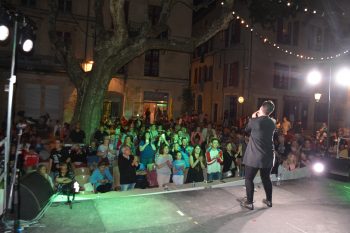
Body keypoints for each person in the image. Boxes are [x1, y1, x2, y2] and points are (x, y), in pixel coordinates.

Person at [240, 100, 276, 210]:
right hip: (268, 156)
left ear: (261, 108)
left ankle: (250, 202)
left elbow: (246, 130)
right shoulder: (273, 122)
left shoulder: (254, 121)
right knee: (266, 178)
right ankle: (269, 201)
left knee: (249, 179)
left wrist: (253, 117)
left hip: (254, 156)